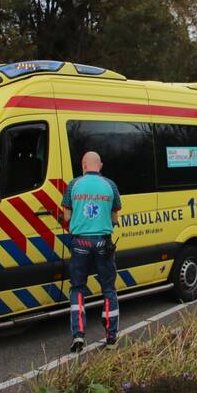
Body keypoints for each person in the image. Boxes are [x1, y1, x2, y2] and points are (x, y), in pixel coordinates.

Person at [62, 151, 122, 353]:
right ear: (100, 165)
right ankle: (111, 337)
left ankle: (78, 335)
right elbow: (114, 217)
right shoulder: (111, 185)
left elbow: (66, 216)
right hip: (103, 243)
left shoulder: (73, 184)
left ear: (83, 165)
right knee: (108, 289)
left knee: (77, 288)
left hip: (80, 243)